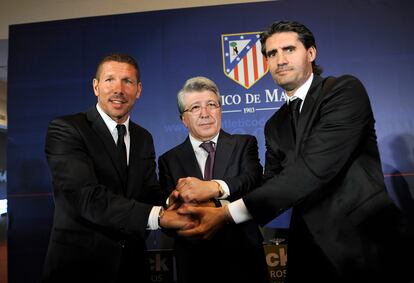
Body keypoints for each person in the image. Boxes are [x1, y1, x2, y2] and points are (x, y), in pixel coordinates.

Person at [177, 21, 414, 283]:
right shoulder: (274, 125)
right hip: (308, 249)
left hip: (366, 243)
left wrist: (225, 214)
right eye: (272, 54)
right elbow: (272, 184)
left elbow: (314, 168)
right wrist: (214, 193)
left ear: (310, 53)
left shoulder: (343, 91)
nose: (280, 60)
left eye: (289, 49)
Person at [42, 53, 194, 283]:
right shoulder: (67, 129)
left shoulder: (144, 137)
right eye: (110, 79)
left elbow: (146, 191)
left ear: (139, 90)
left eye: (128, 81)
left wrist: (173, 201)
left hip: (132, 266)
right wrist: (159, 216)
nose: (119, 89)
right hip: (79, 267)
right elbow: (87, 197)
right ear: (96, 86)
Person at [158, 76, 269, 283]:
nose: (205, 114)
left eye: (211, 105)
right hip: (193, 260)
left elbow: (251, 181)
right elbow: (168, 215)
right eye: (195, 108)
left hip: (242, 254)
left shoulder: (244, 144)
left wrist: (214, 189)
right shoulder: (168, 160)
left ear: (220, 110)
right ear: (183, 118)